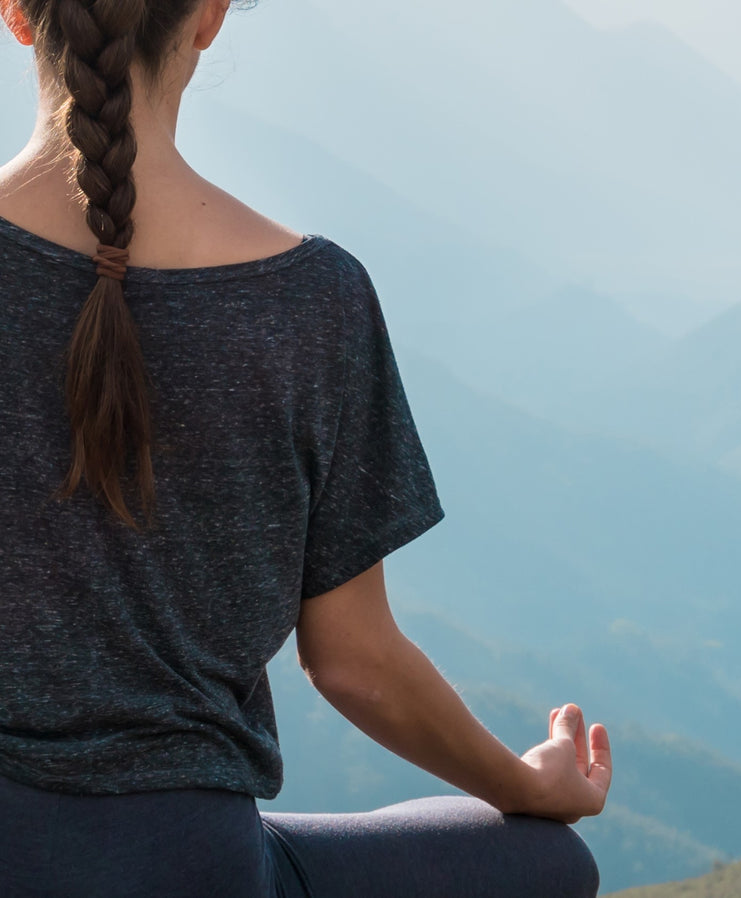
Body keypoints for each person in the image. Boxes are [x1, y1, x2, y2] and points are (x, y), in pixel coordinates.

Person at [0, 0, 611, 895]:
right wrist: (528, 783)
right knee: (550, 866)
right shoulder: (312, 299)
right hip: (192, 862)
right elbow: (354, 662)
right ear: (208, 17)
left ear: (17, 14)